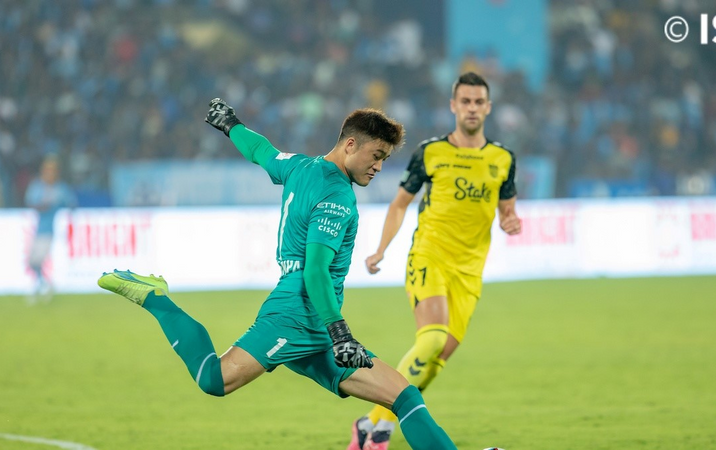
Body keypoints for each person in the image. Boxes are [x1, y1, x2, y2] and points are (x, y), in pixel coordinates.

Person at [97, 98, 458, 450]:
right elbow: (315, 270)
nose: (379, 166)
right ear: (350, 145)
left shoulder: (299, 166)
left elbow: (261, 151)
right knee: (214, 379)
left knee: (404, 396)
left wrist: (231, 126)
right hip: (296, 315)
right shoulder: (336, 196)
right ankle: (156, 298)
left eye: (384, 159)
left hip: (317, 325)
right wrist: (341, 334)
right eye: (376, 155)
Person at [348, 72, 522, 450]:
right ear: (453, 106)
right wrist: (381, 249)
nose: (472, 108)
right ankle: (381, 428)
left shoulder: (503, 159)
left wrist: (511, 220)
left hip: (470, 271)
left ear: (488, 108)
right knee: (431, 340)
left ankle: (368, 424)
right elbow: (400, 204)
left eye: (479, 102)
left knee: (437, 357)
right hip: (430, 255)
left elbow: (507, 209)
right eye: (466, 101)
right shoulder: (430, 152)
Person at [25, 155, 77, 304]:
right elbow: (30, 202)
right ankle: (44, 284)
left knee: (39, 259)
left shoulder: (60, 189)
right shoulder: (37, 187)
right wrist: (43, 205)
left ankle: (44, 285)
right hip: (38, 230)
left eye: (52, 170)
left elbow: (71, 204)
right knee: (32, 262)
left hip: (50, 231)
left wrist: (63, 213)